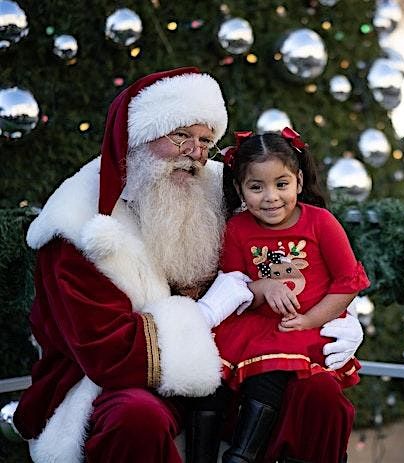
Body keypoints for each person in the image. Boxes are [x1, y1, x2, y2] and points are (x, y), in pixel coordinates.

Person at [11, 67, 365, 463]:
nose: (195, 154)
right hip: (119, 382)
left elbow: (287, 256)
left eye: (205, 141)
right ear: (139, 138)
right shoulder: (77, 226)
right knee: (135, 418)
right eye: (181, 136)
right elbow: (108, 355)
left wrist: (334, 317)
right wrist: (206, 314)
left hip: (230, 364)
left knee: (319, 398)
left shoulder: (222, 188)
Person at [188, 128, 369, 463]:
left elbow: (347, 283)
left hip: (302, 326)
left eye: (281, 184)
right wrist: (262, 287)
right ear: (240, 189)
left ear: (298, 181)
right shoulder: (238, 230)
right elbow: (236, 287)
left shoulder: (321, 223)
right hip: (253, 324)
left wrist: (310, 320)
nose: (270, 196)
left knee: (268, 374)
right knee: (209, 373)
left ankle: (242, 455)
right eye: (256, 187)